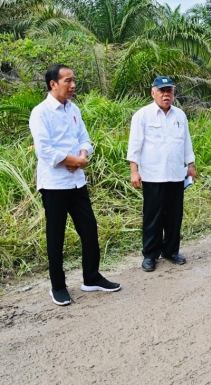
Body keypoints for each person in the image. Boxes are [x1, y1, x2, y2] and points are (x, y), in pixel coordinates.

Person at [29, 64, 121, 306]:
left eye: (74, 80)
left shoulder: (74, 109)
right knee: (56, 236)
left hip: (76, 182)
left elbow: (85, 138)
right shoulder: (40, 113)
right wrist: (73, 161)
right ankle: (58, 286)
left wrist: (81, 156)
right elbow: (44, 150)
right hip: (54, 184)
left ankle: (91, 277)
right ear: (53, 84)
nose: (73, 85)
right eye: (68, 81)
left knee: (89, 228)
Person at [127, 76, 196, 272]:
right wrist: (134, 171)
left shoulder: (180, 115)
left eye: (170, 91)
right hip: (152, 175)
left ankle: (171, 251)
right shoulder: (142, 115)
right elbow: (135, 145)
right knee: (153, 217)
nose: (166, 94)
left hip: (176, 174)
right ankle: (150, 255)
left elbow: (186, 142)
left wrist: (190, 165)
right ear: (153, 93)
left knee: (174, 216)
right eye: (162, 91)